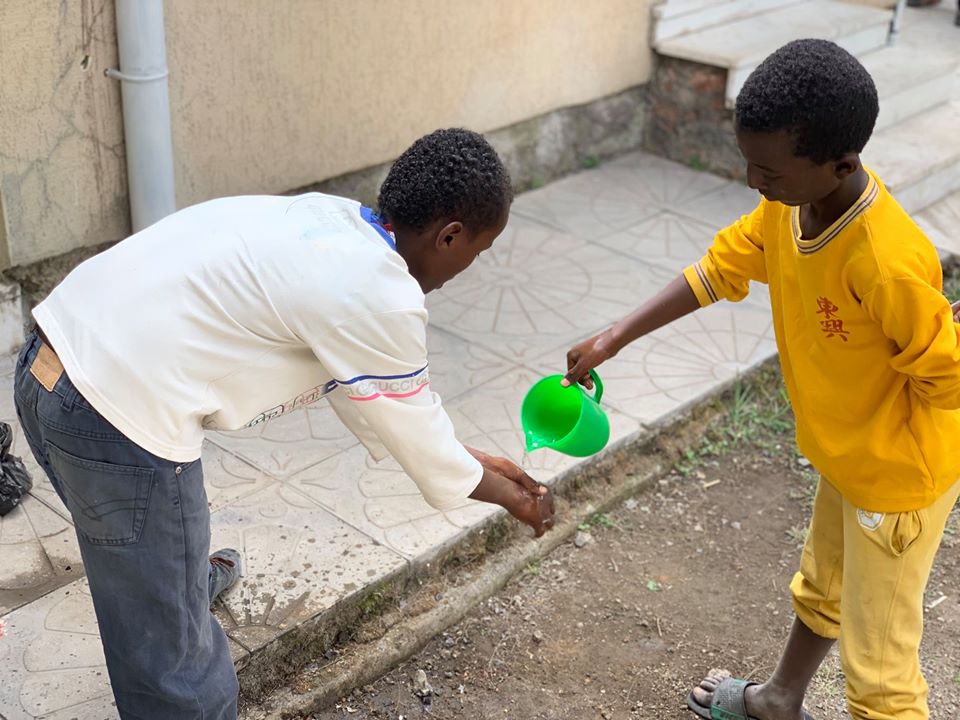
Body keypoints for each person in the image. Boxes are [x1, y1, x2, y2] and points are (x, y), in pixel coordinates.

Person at [14, 128, 555, 720]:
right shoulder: (379, 291)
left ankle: (174, 591)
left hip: (47, 363)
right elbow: (421, 443)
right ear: (450, 235)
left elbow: (372, 397)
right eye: (475, 252)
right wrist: (516, 498)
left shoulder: (335, 219)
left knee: (138, 544)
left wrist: (475, 461)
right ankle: (170, 614)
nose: (465, 269)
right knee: (176, 671)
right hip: (110, 416)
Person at [563, 40, 960, 720]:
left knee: (881, 680)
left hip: (894, 482)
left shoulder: (888, 262)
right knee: (820, 587)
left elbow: (945, 380)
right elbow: (721, 268)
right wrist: (615, 335)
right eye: (748, 162)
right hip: (845, 456)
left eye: (767, 169)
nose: (754, 180)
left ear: (840, 164)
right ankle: (779, 701)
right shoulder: (789, 203)